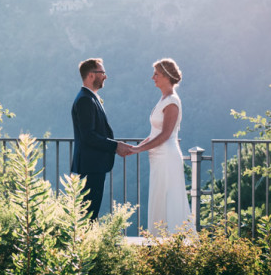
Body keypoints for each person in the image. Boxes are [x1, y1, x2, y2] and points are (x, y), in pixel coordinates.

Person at [132, 58, 194, 235]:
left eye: (156, 74)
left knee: (170, 198)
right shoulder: (163, 99)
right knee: (159, 197)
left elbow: (165, 134)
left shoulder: (172, 102)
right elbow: (154, 133)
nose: (153, 77)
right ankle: (159, 240)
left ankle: (175, 241)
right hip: (158, 157)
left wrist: (138, 149)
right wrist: (135, 147)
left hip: (167, 156)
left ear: (166, 76)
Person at [71, 58, 134, 221]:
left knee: (90, 212)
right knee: (88, 214)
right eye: (102, 73)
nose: (105, 76)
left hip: (92, 165)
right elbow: (88, 136)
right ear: (91, 75)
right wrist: (115, 146)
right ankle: (86, 245)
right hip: (90, 166)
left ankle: (87, 243)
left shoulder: (90, 97)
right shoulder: (85, 99)